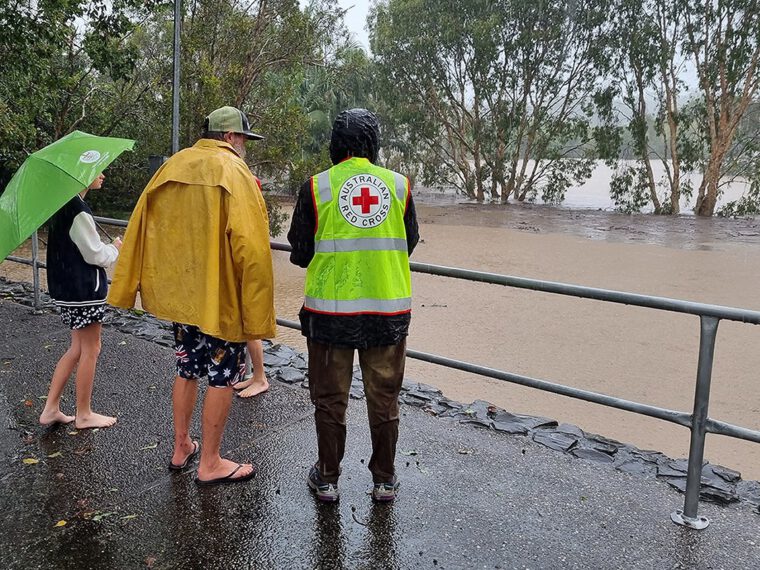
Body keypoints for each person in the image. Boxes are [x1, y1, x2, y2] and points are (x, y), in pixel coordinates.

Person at [108, 106, 275, 485]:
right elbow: (251, 248)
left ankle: (182, 445)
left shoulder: (173, 166)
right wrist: (257, 307)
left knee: (186, 369)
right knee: (223, 376)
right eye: (244, 139)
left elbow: (141, 225)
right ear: (231, 137)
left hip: (182, 297)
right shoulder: (235, 172)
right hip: (221, 300)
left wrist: (130, 283)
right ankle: (211, 462)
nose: (244, 147)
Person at [287, 108, 419, 503]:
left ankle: (327, 478)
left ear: (334, 145)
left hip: (330, 318)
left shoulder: (316, 187)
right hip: (387, 316)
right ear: (373, 143)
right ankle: (385, 480)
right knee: (384, 400)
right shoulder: (399, 185)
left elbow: (300, 251)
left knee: (330, 401)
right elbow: (408, 243)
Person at [40, 172, 122, 429]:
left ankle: (51, 408)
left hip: (67, 291)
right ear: (81, 175)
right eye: (96, 170)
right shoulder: (78, 211)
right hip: (84, 293)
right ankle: (84, 414)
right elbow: (95, 254)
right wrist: (115, 249)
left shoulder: (63, 205)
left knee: (77, 349)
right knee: (91, 349)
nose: (102, 175)